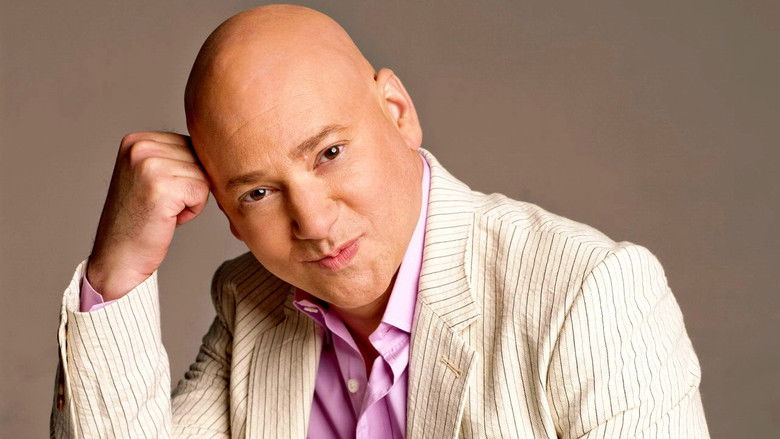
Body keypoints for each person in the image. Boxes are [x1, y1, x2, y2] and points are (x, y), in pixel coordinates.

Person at [49, 4, 710, 438]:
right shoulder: (250, 303)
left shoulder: (589, 294)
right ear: (226, 213)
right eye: (259, 192)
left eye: (329, 153)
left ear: (397, 111)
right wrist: (119, 270)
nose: (312, 221)